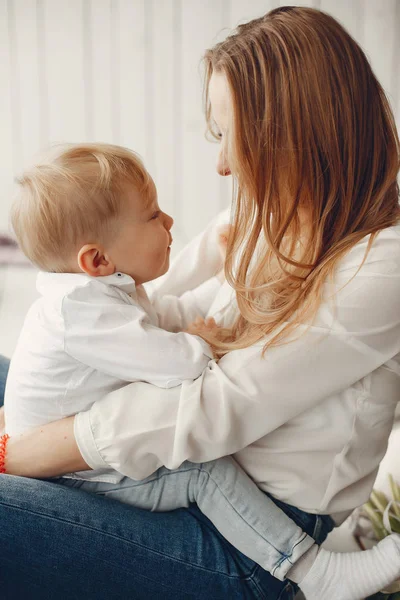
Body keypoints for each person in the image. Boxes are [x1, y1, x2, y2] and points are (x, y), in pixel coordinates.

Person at [0, 6, 400, 599]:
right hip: (184, 480)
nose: (220, 164)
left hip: (249, 539)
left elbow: (215, 406)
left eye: (234, 138)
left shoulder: (379, 263)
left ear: (294, 136)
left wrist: (31, 448)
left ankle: (316, 580)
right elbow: (163, 317)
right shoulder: (270, 216)